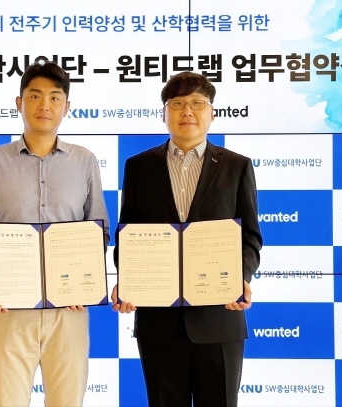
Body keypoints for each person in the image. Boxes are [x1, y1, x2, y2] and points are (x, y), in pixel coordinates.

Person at [111, 71, 263, 407]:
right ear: (164, 113)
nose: (187, 111)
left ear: (212, 113)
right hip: (158, 322)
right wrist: (128, 281)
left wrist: (240, 277)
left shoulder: (236, 166)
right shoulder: (138, 167)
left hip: (219, 317)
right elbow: (128, 235)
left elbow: (250, 236)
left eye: (197, 103)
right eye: (177, 104)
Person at [0, 61, 110, 407]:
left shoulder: (85, 161)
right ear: (19, 102)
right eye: (35, 96)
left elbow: (98, 229)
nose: (45, 105)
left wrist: (84, 281)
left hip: (68, 310)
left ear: (66, 106)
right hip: (8, 309)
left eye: (55, 97)